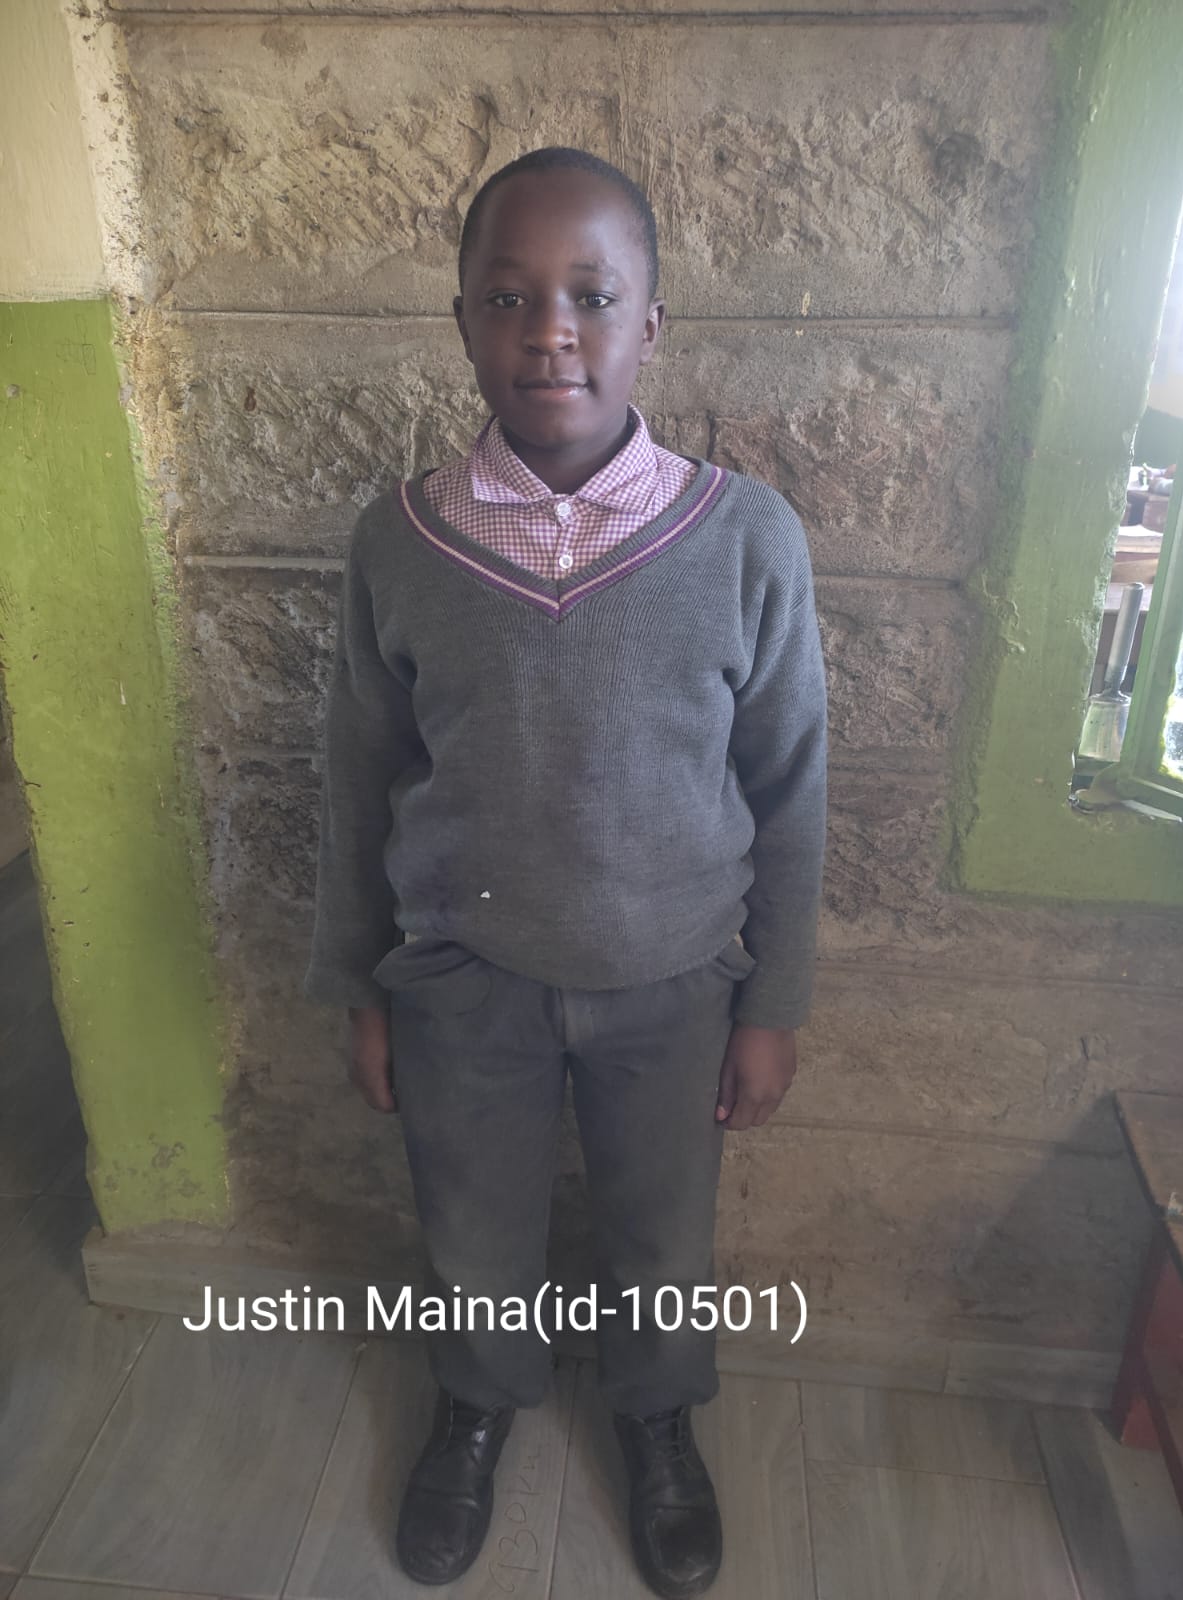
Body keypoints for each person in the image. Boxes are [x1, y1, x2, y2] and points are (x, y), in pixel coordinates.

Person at [303, 146, 827, 1597]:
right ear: (463, 321)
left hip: (676, 982)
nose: (551, 332)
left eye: (592, 297)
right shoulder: (399, 542)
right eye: (509, 297)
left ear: (651, 321)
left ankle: (657, 1416)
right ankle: (477, 1402)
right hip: (460, 978)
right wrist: (362, 988)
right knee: (472, 1223)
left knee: (660, 1230)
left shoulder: (747, 538)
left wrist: (774, 1002)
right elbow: (356, 775)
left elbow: (790, 785)